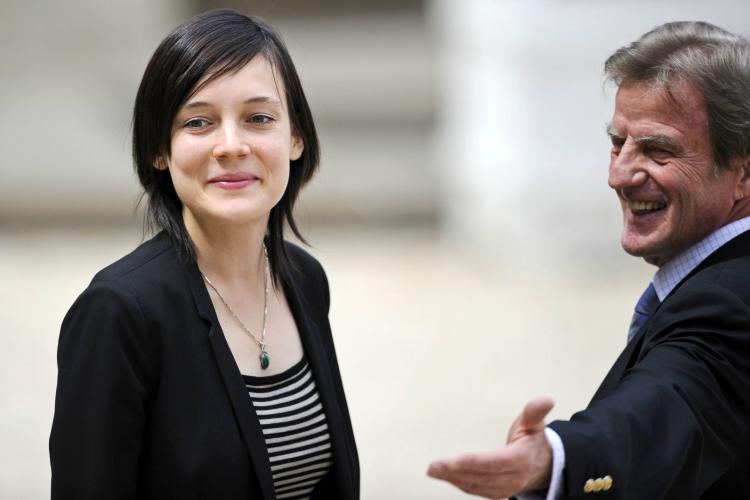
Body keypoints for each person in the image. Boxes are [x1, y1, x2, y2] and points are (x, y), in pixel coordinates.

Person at [428, 21, 750, 499]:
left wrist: (558, 460)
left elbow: (667, 403)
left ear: (742, 173)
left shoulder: (729, 303)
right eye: (618, 143)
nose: (619, 174)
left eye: (658, 150)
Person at [49, 9, 358, 499]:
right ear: (160, 150)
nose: (231, 146)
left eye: (259, 118)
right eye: (198, 122)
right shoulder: (118, 312)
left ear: (295, 138)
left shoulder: (304, 279)